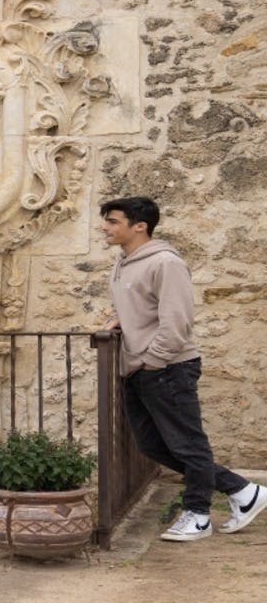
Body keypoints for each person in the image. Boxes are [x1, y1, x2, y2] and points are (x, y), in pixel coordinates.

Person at [100, 196, 266, 541]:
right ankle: (243, 492)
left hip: (167, 367)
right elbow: (146, 307)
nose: (106, 227)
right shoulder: (124, 262)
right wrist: (121, 321)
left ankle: (199, 514)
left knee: (188, 445)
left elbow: (177, 320)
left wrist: (152, 361)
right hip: (139, 368)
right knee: (153, 446)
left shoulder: (164, 262)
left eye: (113, 221)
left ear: (139, 225)